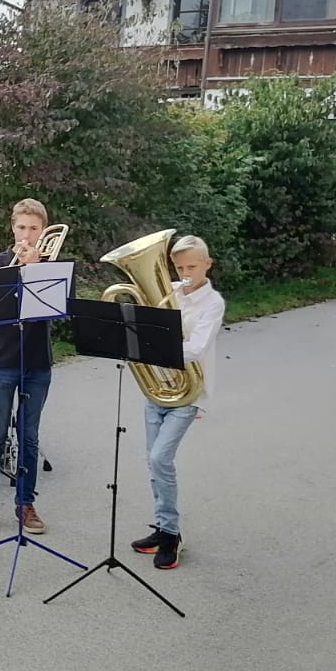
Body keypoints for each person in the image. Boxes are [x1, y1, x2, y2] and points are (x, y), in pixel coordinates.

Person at [127, 237, 225, 570]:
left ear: (207, 264)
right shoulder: (167, 291)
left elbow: (196, 348)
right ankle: (163, 527)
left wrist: (155, 346)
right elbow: (140, 326)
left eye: (192, 267)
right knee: (153, 463)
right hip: (156, 389)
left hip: (187, 394)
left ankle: (171, 535)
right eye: (180, 267)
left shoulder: (213, 303)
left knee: (160, 458)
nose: (185, 273)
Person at [0, 198, 55, 537]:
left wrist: (37, 269)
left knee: (29, 438)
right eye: (22, 227)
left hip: (37, 361)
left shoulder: (53, 265)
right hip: (3, 358)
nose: (27, 235)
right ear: (12, 227)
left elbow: (56, 312)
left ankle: (25, 503)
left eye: (34, 229)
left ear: (44, 232)